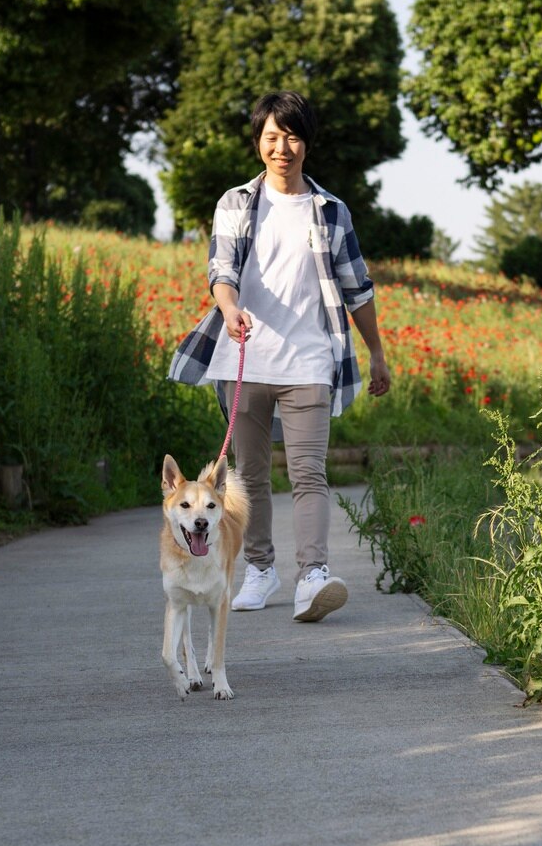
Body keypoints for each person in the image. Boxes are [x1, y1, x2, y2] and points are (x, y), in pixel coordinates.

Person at [167, 90, 391, 622]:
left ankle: (312, 577)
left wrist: (377, 353)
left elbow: (358, 288)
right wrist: (229, 310)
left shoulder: (330, 211)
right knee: (250, 474)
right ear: (258, 143)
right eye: (271, 137)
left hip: (310, 361)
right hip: (243, 361)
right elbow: (221, 272)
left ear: (306, 142)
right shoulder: (235, 204)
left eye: (291, 136)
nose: (282, 147)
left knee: (309, 472)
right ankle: (261, 570)